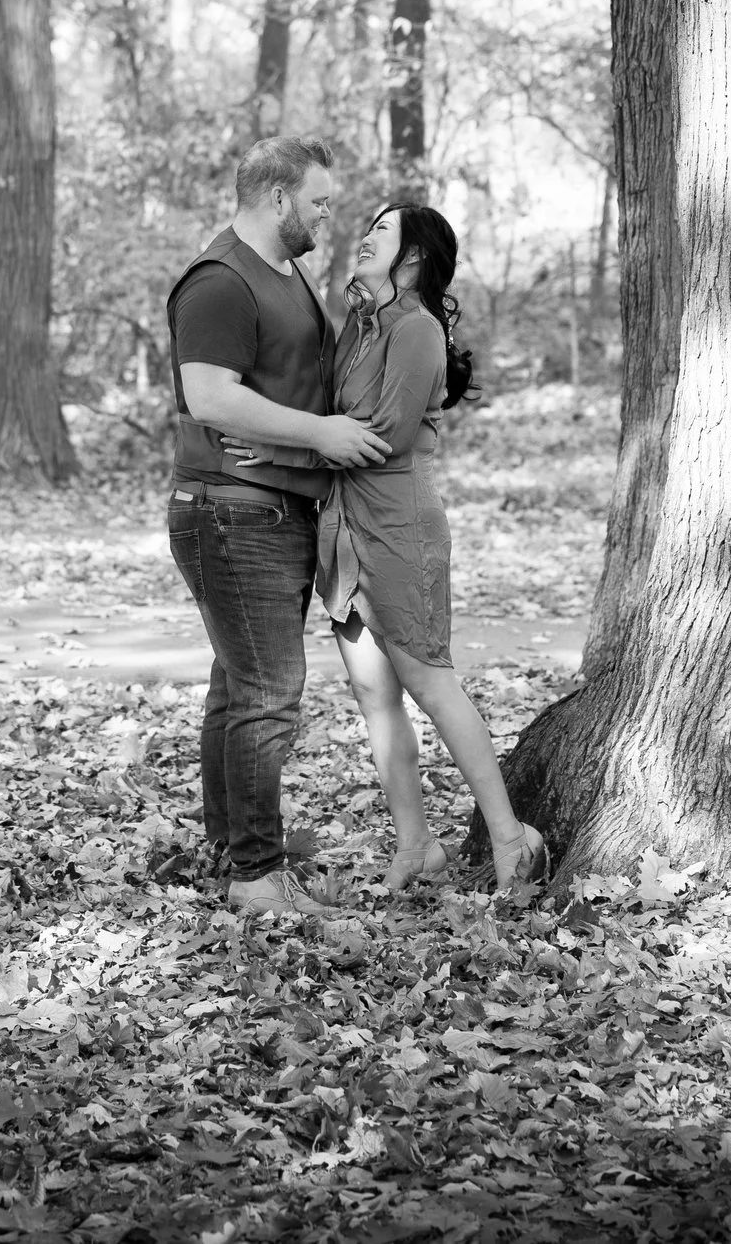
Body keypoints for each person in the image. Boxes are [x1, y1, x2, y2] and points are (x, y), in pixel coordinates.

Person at [229, 202, 544, 896]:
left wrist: (278, 448)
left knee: (430, 682)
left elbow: (382, 438)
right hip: (344, 527)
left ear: (414, 256)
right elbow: (332, 421)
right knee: (375, 696)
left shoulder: (417, 328)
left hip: (401, 527)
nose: (367, 236)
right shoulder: (361, 324)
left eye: (383, 229)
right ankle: (416, 845)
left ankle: (510, 836)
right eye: (370, 225)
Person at [167, 136, 390, 917]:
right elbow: (209, 396)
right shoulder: (220, 280)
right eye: (319, 201)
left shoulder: (286, 274)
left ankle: (231, 849)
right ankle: (258, 876)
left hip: (270, 506)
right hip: (232, 511)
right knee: (267, 695)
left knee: (238, 690)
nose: (329, 215)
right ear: (277, 197)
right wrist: (318, 434)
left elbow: (290, 380)